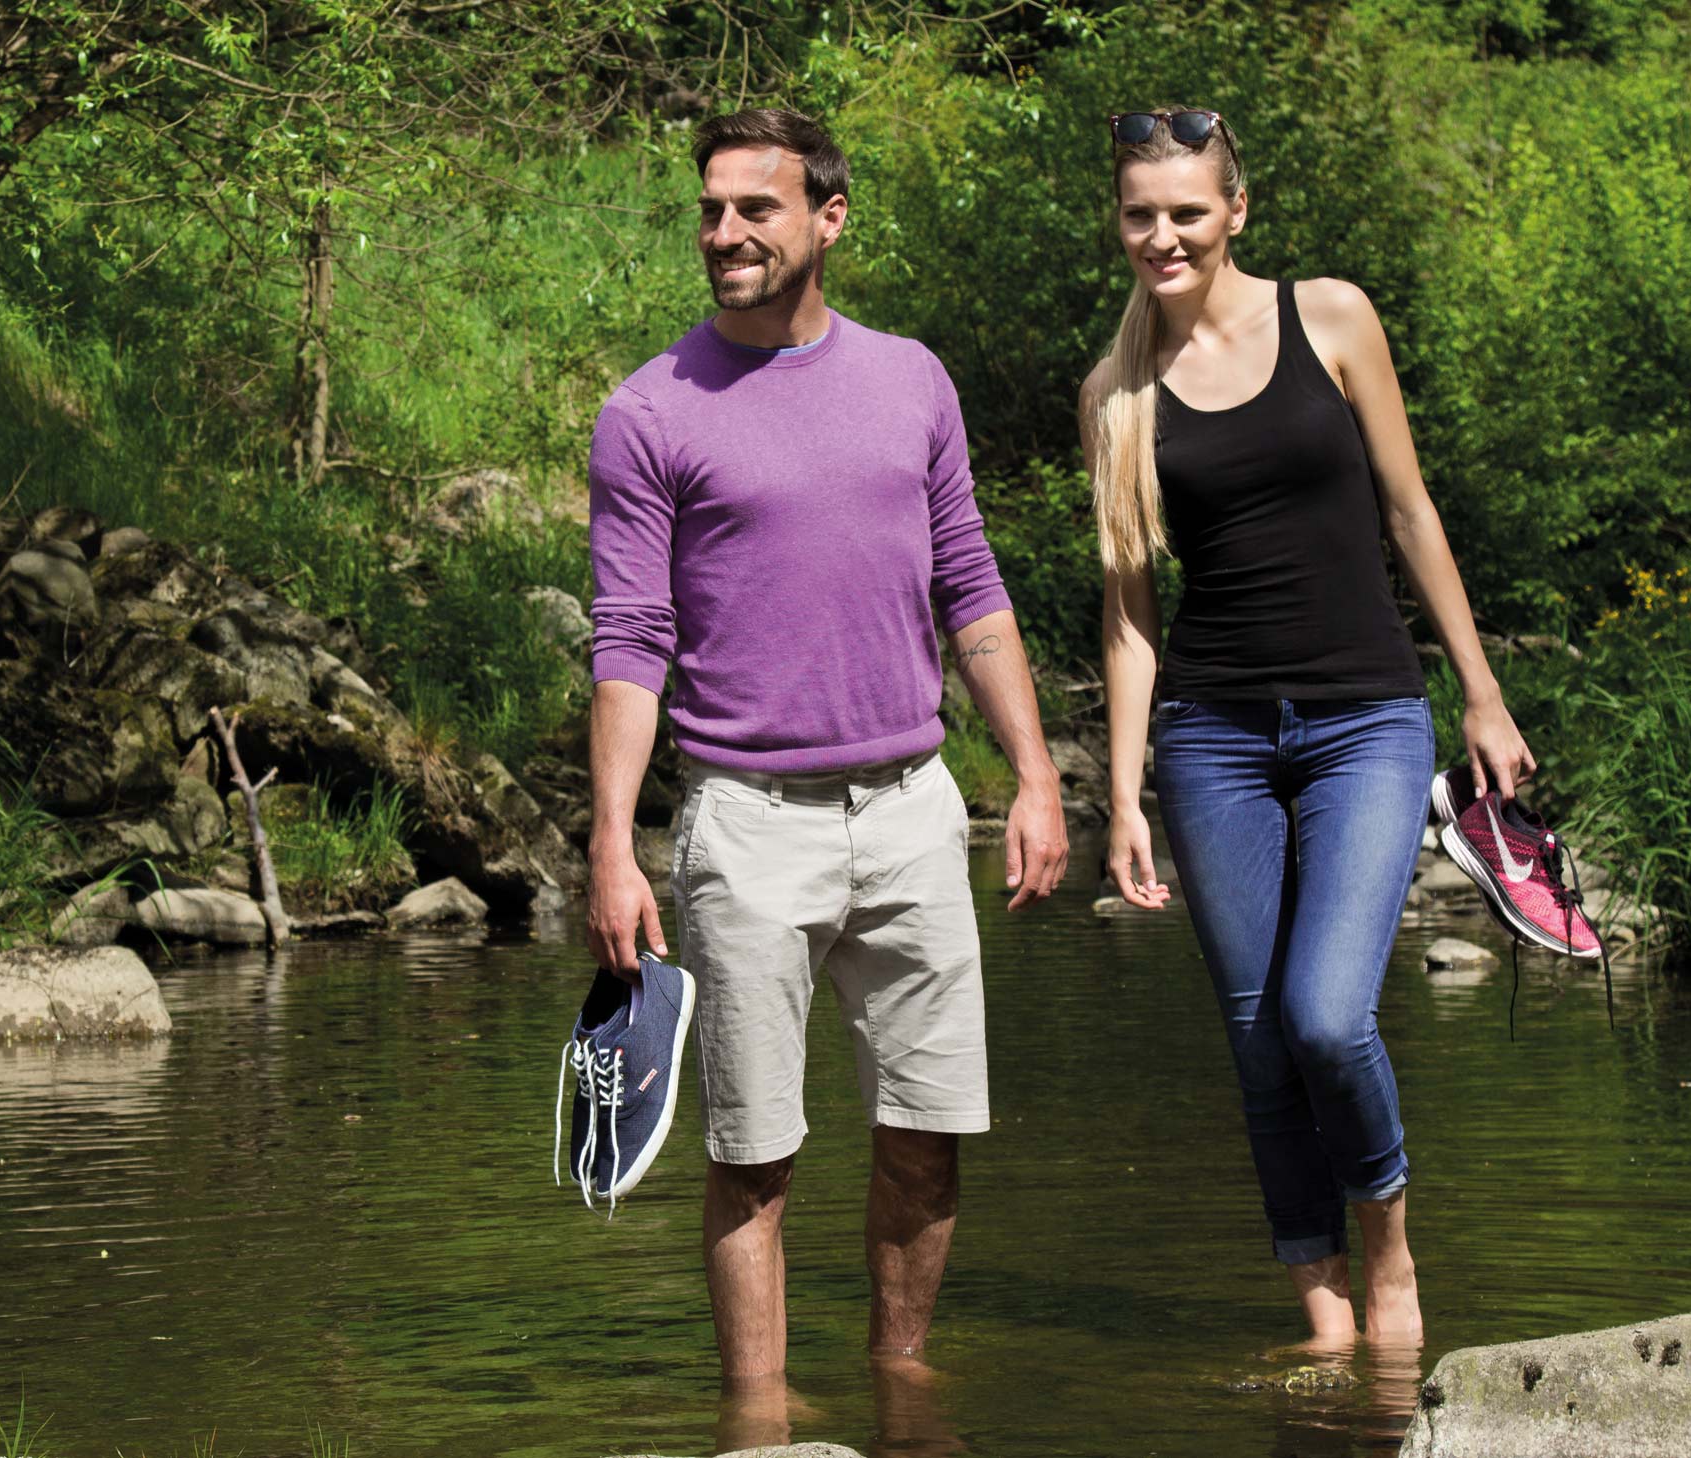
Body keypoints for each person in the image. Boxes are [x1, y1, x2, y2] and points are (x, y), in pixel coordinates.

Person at [583, 106, 1070, 1400]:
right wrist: (612, 843)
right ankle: (759, 1421)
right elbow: (631, 638)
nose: (725, 231)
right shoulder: (648, 412)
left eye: (756, 207)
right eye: (709, 209)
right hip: (745, 819)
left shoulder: (911, 377)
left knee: (928, 1134)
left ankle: (901, 1391)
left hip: (915, 804)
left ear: (827, 219)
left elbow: (970, 580)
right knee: (754, 1152)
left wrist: (1031, 774)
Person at [1083, 107, 1534, 1347]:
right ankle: (1323, 1313)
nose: (1161, 236)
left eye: (1185, 211)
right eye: (1140, 214)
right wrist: (1122, 799)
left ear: (1235, 211)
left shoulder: (1330, 317)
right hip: (1210, 738)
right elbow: (1129, 616)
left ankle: (1384, 1249)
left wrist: (1481, 694)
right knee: (1256, 1035)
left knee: (1327, 1013)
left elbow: (1409, 511)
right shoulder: (1115, 394)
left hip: (1364, 720)